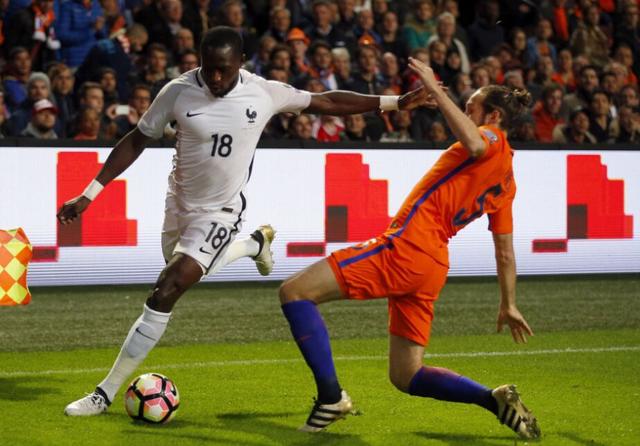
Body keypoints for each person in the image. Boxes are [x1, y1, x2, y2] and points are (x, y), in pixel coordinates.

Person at [59, 26, 429, 417]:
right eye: (209, 68)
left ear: (241, 62)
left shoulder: (263, 92)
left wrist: (396, 102)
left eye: (225, 69)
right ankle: (254, 244)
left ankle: (103, 394)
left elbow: (327, 100)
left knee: (167, 288)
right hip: (179, 207)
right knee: (181, 269)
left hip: (222, 212)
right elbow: (137, 139)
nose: (216, 77)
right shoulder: (177, 91)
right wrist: (89, 193)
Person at [278, 57, 541, 440]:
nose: (465, 113)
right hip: (431, 265)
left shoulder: (492, 139)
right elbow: (505, 251)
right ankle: (492, 400)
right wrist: (509, 302)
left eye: (471, 108)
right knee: (406, 374)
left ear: (494, 116)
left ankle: (330, 398)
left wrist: (433, 88)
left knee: (295, 292)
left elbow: (474, 141)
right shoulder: (507, 182)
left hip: (407, 248)